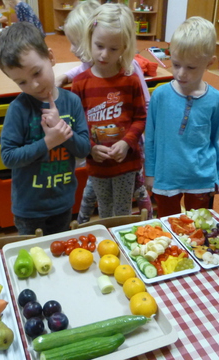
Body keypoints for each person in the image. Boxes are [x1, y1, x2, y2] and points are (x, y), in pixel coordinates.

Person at [58, 0, 152, 223]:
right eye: (99, 46)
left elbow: (141, 116)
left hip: (126, 163)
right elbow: (74, 125)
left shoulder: (130, 80)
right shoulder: (80, 83)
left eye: (113, 49)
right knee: (104, 212)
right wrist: (90, 148)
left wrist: (127, 142)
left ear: (125, 48)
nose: (104, 55)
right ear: (89, 38)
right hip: (97, 165)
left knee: (120, 214)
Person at [0, 22, 90, 235]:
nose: (34, 86)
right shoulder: (18, 109)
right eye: (22, 82)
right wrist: (48, 142)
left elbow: (84, 149)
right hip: (29, 208)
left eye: (37, 73)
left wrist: (62, 132)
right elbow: (8, 157)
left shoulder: (72, 102)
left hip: (63, 202)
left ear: (51, 57)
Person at [144, 17, 219, 218]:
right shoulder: (160, 96)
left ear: (209, 63)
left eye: (191, 67)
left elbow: (214, 140)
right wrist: (150, 172)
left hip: (201, 178)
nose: (181, 73)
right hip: (166, 177)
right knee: (168, 229)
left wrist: (218, 174)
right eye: (176, 64)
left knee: (197, 231)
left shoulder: (216, 100)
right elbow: (151, 138)